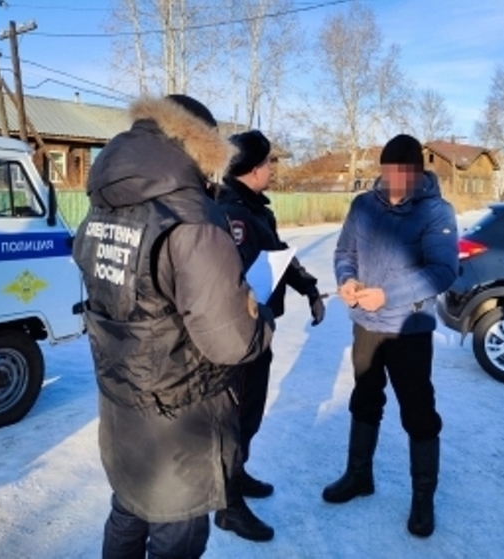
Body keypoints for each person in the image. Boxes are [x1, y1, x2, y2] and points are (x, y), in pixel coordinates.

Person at [72, 94, 275, 558]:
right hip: (179, 419)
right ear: (201, 144)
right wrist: (259, 316)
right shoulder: (193, 218)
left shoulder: (103, 204)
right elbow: (230, 342)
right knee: (177, 537)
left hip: (121, 401)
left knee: (128, 507)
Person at [324, 133, 459, 538]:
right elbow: (344, 253)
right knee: (364, 399)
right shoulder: (363, 205)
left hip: (408, 330)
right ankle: (358, 475)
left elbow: (442, 271)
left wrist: (388, 295)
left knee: (418, 413)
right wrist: (347, 280)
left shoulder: (437, 213)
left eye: (403, 175)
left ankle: (422, 499)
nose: (394, 183)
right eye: (388, 173)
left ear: (418, 173)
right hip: (366, 326)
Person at [213, 129, 325, 542]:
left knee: (250, 413)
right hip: (239, 335)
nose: (273, 170)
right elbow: (241, 282)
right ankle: (227, 505)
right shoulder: (233, 214)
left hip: (258, 329)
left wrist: (308, 286)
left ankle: (236, 477)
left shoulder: (253, 208)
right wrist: (272, 285)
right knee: (237, 418)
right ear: (254, 168)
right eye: (269, 163)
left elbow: (278, 253)